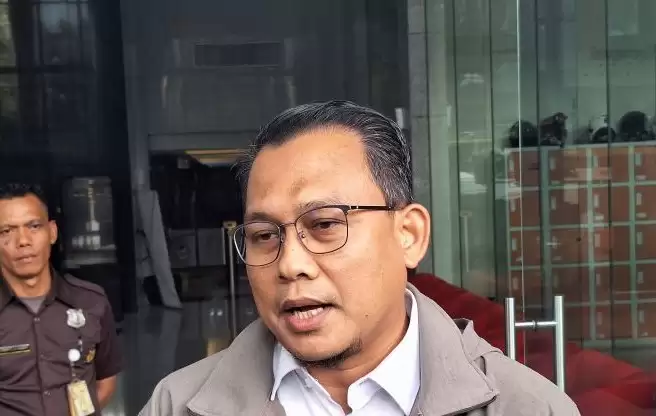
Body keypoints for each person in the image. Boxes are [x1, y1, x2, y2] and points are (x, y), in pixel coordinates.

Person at [140, 100, 580, 415]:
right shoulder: (177, 405)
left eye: (324, 224)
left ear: (409, 234)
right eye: (264, 235)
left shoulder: (527, 407)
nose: (290, 264)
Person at [0, 183, 122, 416]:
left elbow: (105, 383)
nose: (23, 240)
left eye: (33, 226)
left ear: (52, 232)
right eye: (6, 231)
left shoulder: (91, 302)